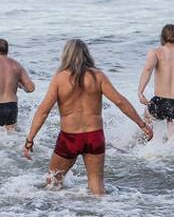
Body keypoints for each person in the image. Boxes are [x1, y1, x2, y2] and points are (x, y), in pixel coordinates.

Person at [24, 39, 153, 195]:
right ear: (87, 55)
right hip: (94, 136)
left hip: (69, 138)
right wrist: (142, 125)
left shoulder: (60, 79)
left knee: (53, 183)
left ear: (66, 55)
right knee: (97, 186)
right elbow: (120, 102)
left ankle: (54, 216)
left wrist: (30, 139)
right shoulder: (98, 76)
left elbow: (43, 111)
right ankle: (104, 215)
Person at [137, 24, 174, 139]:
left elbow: (148, 69)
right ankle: (172, 149)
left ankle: (144, 143)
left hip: (161, 100)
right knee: (173, 135)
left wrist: (140, 91)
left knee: (147, 117)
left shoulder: (156, 52)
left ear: (162, 38)